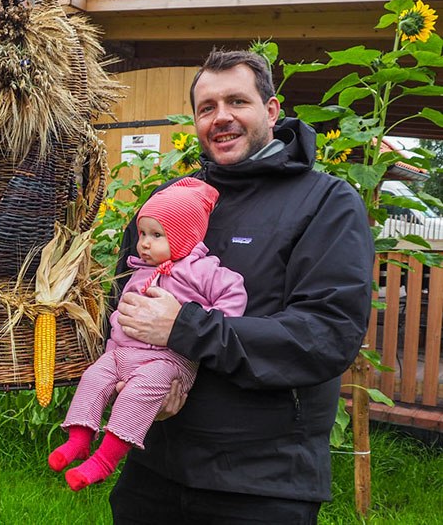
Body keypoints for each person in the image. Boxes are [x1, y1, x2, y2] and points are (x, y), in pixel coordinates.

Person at [109, 50, 375, 523]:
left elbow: (325, 334)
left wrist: (186, 327)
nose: (221, 117)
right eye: (207, 107)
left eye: (237, 101)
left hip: (260, 482)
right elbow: (123, 296)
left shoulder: (326, 203)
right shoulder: (171, 202)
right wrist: (134, 379)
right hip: (155, 468)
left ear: (271, 111)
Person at [50, 178, 247, 492]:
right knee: (94, 377)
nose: (143, 243)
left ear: (184, 235)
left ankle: (105, 460)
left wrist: (197, 323)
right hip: (124, 351)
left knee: (137, 394)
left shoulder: (204, 271)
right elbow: (121, 316)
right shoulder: (141, 271)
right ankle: (79, 438)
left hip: (169, 360)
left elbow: (233, 301)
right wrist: (111, 352)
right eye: (142, 234)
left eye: (157, 235)